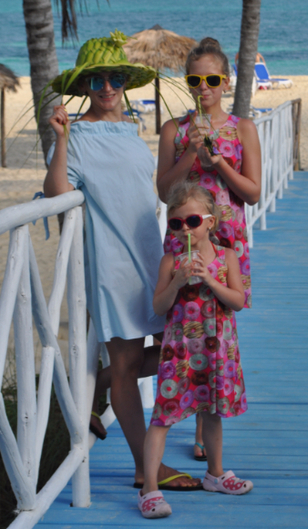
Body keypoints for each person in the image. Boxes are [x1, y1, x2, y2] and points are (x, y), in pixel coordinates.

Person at [44, 31, 201, 493]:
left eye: (115, 78)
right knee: (130, 364)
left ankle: (94, 386)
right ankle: (143, 467)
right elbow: (56, 193)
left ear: (126, 83)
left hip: (153, 255)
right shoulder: (76, 136)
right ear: (84, 86)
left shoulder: (131, 129)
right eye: (97, 80)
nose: (108, 87)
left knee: (181, 348)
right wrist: (60, 139)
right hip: (112, 265)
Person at [157, 37, 261, 461]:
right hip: (184, 237)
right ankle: (173, 411)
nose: (204, 88)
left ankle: (206, 424)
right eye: (196, 80)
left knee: (218, 325)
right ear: (188, 82)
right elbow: (164, 190)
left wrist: (218, 162)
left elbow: (252, 192)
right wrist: (192, 153)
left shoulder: (242, 128)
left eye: (213, 80)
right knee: (184, 325)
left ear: (226, 81)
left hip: (227, 240)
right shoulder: (174, 129)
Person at [138, 182, 253, 518]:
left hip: (217, 350)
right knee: (163, 416)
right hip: (180, 352)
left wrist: (210, 280)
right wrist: (176, 282)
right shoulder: (170, 261)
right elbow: (159, 307)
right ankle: (149, 488)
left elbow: (238, 301)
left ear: (210, 222)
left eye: (192, 221)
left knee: (212, 412)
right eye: (176, 223)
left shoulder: (226, 257)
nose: (185, 230)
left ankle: (215, 474)